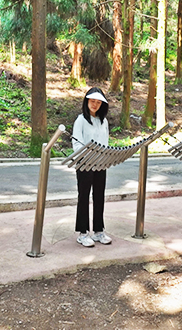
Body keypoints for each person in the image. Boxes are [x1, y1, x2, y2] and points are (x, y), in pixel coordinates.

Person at [71, 87, 112, 247]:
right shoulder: (80, 120)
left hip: (100, 164)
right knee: (84, 197)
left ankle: (98, 231)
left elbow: (105, 142)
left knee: (99, 196)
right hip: (85, 164)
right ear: (86, 101)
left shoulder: (104, 121)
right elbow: (76, 142)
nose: (95, 104)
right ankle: (83, 233)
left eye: (98, 102)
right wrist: (86, 156)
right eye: (92, 101)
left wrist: (104, 158)